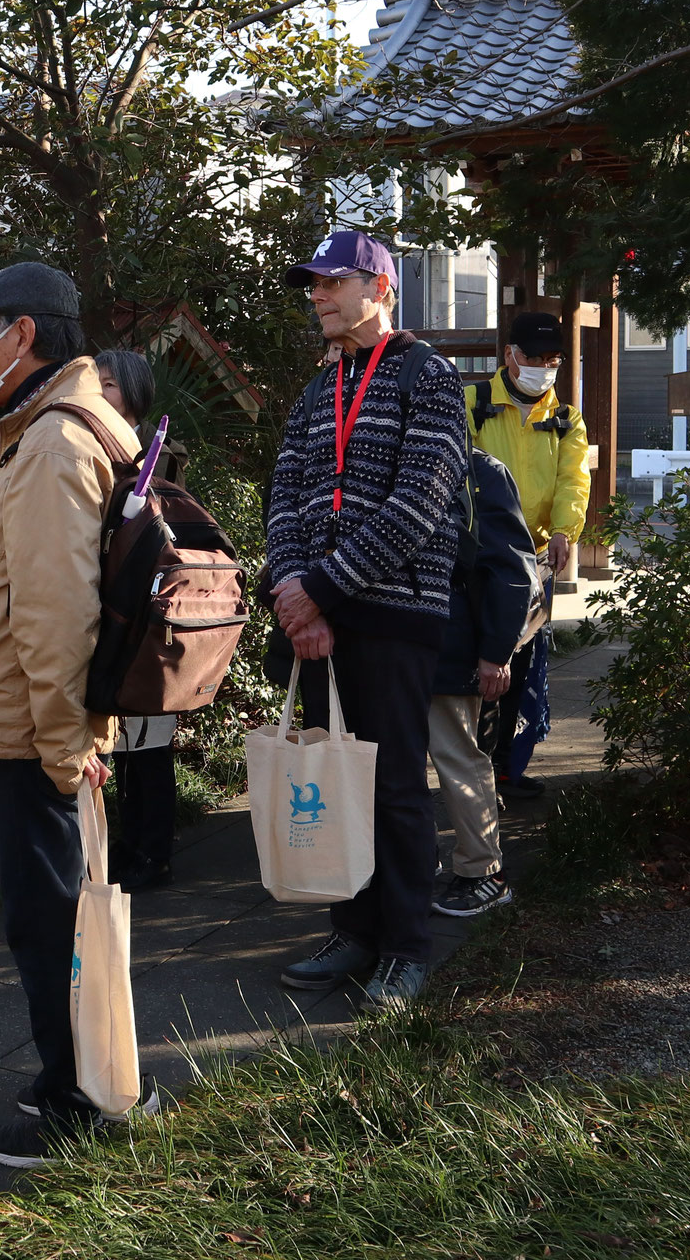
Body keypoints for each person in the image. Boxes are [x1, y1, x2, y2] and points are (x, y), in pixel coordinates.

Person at [0, 263, 142, 1170]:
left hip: (30, 722)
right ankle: (91, 1068)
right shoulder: (46, 429)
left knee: (49, 918)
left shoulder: (55, 443)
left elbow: (58, 609)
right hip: (27, 713)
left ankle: (75, 1097)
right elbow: (2, 550)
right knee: (60, 911)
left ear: (24, 334)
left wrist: (63, 743)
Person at [265, 230, 468, 1010]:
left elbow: (421, 501)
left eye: (331, 283)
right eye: (312, 285)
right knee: (336, 783)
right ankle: (354, 929)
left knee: (392, 787)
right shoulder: (318, 390)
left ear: (379, 288)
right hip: (319, 616)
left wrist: (322, 589)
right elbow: (283, 494)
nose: (317, 297)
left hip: (393, 615)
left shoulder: (429, 376)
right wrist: (293, 593)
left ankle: (407, 947)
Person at [466, 311, 589, 802]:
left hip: (533, 560)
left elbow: (573, 479)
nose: (543, 366)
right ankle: (471, 769)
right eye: (533, 357)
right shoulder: (473, 404)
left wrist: (565, 530)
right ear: (509, 356)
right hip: (478, 559)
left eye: (552, 359)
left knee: (519, 666)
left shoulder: (564, 417)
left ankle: (502, 771)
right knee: (478, 664)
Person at [428, 448, 542, 919]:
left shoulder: (479, 471)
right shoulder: (398, 456)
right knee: (398, 764)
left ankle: (483, 872)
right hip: (400, 642)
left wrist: (497, 652)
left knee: (458, 756)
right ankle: (415, 865)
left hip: (453, 642)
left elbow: (512, 570)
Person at [95, 348, 180, 890]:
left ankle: (153, 851)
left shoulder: (156, 453)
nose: (97, 392)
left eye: (108, 383)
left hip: (146, 611)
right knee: (119, 740)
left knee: (148, 742)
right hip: (111, 607)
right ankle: (126, 846)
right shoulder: (94, 443)